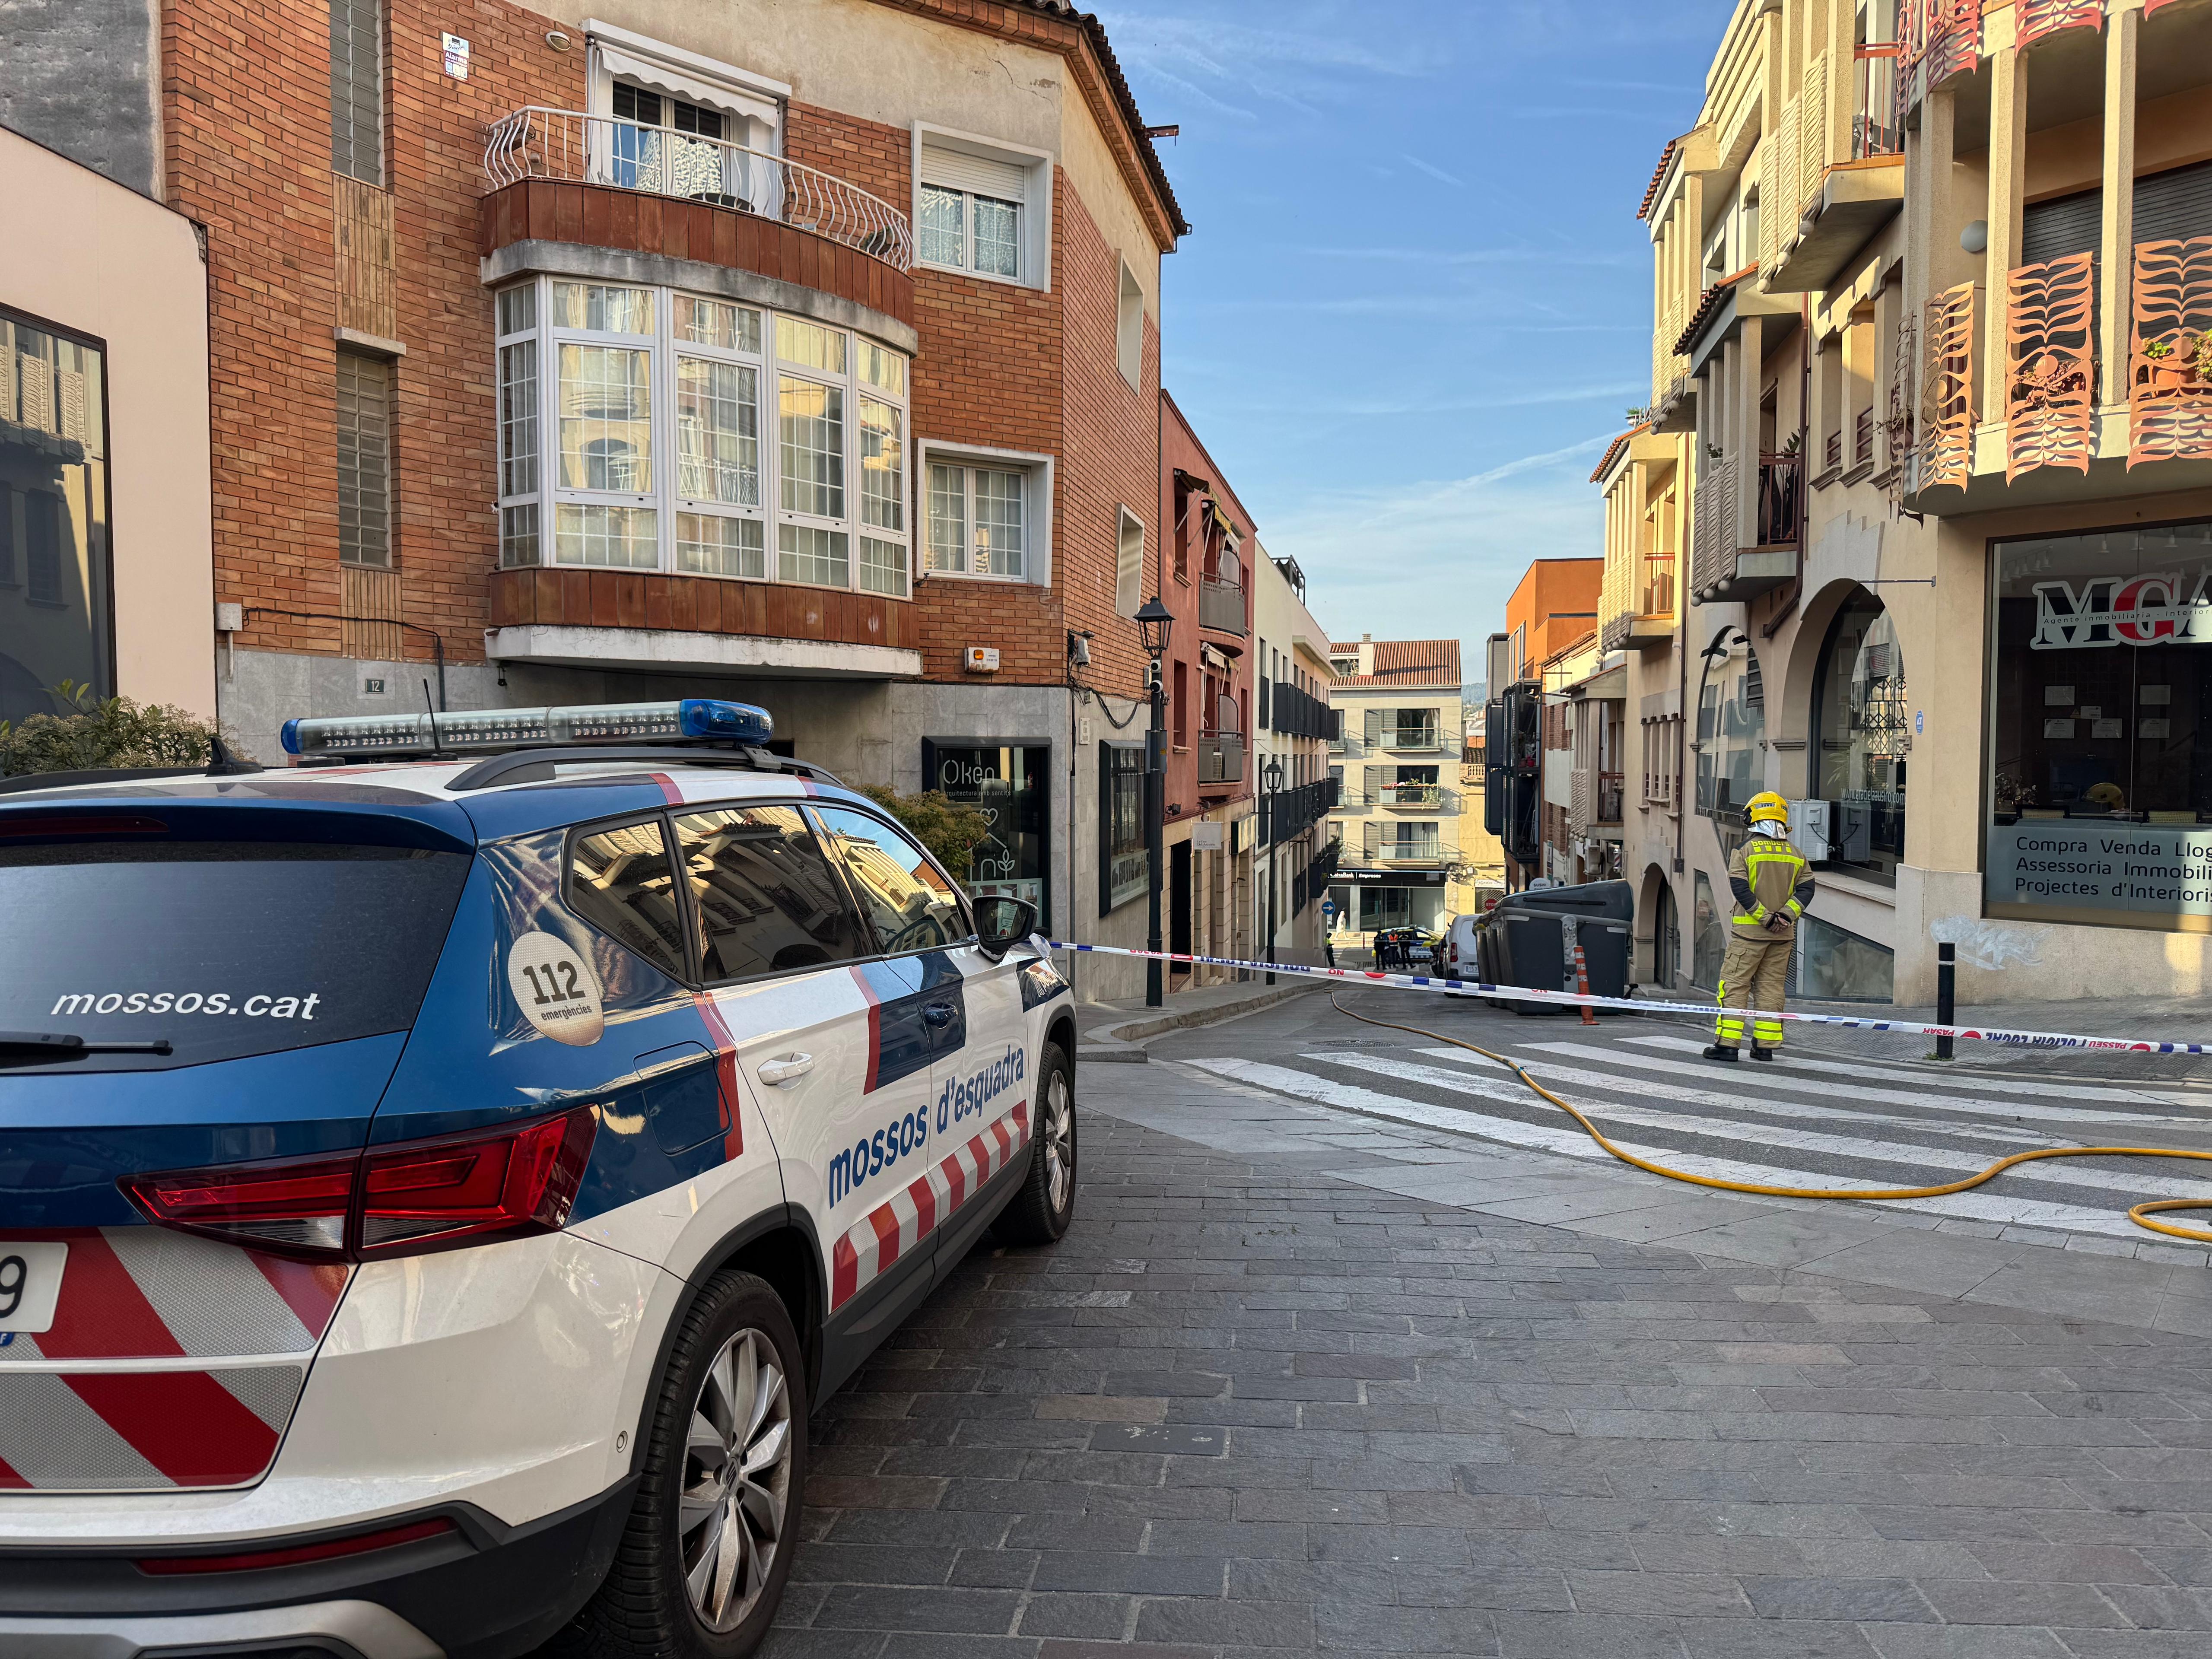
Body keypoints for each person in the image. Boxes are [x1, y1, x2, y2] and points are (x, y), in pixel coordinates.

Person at [1705, 792, 1814, 1064]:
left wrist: (1765, 918)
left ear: (1753, 818)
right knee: (1772, 989)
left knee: (1734, 986)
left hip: (1749, 936)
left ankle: (1728, 1046)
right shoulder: (1797, 854)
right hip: (1782, 938)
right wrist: (1786, 918)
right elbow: (1807, 889)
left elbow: (1740, 888)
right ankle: (1765, 1047)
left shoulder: (1744, 851)